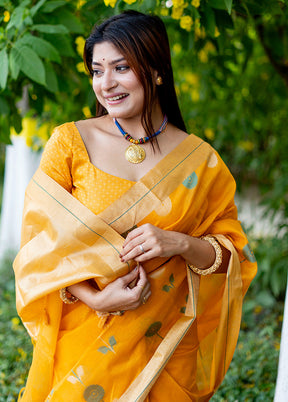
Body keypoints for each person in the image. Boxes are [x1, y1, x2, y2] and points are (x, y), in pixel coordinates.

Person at [13, 10, 257, 401]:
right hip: (84, 347)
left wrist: (176, 242)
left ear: (156, 70)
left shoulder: (201, 161)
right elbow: (39, 247)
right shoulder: (69, 144)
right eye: (97, 71)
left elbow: (232, 260)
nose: (106, 84)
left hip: (167, 350)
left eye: (121, 68)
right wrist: (95, 297)